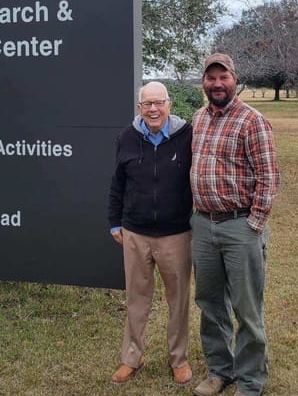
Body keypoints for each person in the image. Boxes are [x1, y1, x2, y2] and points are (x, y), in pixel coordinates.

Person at [190, 54, 281, 396]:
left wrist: (253, 225)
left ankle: (251, 379)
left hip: (240, 226)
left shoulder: (251, 121)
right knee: (210, 304)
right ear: (204, 82)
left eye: (222, 77)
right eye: (210, 78)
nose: (216, 84)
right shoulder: (198, 118)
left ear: (234, 79)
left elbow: (269, 177)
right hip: (202, 224)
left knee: (246, 307)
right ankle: (219, 371)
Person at [107, 81, 194, 385]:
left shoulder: (187, 136)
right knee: (136, 298)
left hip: (176, 234)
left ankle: (179, 359)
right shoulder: (127, 138)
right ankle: (132, 357)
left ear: (169, 105)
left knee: (179, 299)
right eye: (147, 104)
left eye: (159, 103)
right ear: (139, 108)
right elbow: (118, 183)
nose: (154, 109)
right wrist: (115, 222)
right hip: (135, 232)